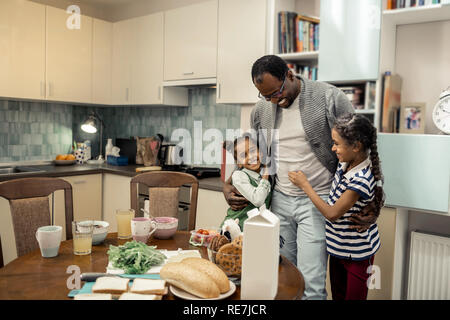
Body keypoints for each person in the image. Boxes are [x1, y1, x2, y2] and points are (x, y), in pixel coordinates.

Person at [222, 55, 381, 300]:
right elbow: (252, 150)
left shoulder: (329, 98)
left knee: (311, 283)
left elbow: (361, 146)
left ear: (290, 75)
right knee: (282, 275)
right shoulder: (262, 109)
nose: (273, 100)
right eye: (265, 96)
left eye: (276, 92)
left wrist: (374, 203)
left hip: (318, 201)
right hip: (280, 201)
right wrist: (229, 183)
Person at [288, 114, 383, 300]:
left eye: (337, 144)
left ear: (356, 147)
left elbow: (332, 214)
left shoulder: (360, 179)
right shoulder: (345, 163)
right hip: (338, 248)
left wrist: (305, 185)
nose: (333, 148)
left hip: (357, 254)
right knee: (338, 295)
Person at [221, 135, 271, 231]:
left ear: (260, 153)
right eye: (244, 155)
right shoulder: (239, 176)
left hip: (254, 230)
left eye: (252, 151)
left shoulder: (260, 177)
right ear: (239, 163)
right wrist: (266, 176)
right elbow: (258, 200)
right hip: (234, 230)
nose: (251, 156)